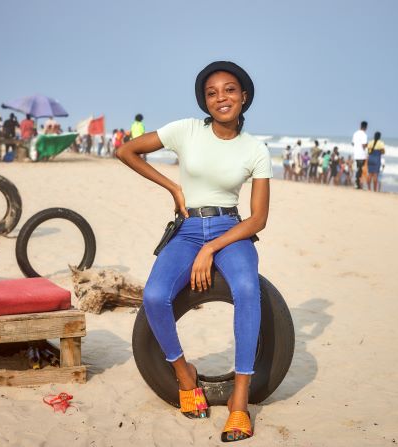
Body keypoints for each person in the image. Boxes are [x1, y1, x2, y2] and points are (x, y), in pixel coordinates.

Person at [116, 61, 271, 442]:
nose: (222, 98)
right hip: (186, 231)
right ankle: (185, 374)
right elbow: (127, 151)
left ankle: (239, 403)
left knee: (248, 291)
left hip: (230, 231)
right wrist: (173, 187)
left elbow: (259, 219)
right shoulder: (185, 130)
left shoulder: (256, 149)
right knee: (153, 296)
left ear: (244, 96)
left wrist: (214, 247)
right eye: (213, 92)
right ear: (206, 101)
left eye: (230, 90)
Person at [352, 121, 368, 189]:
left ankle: (357, 183)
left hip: (356, 153)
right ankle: (357, 183)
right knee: (360, 169)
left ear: (360, 125)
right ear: (366, 127)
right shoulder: (364, 135)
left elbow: (352, 143)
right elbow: (364, 145)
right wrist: (367, 145)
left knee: (358, 168)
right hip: (361, 154)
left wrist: (357, 145)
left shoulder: (355, 133)